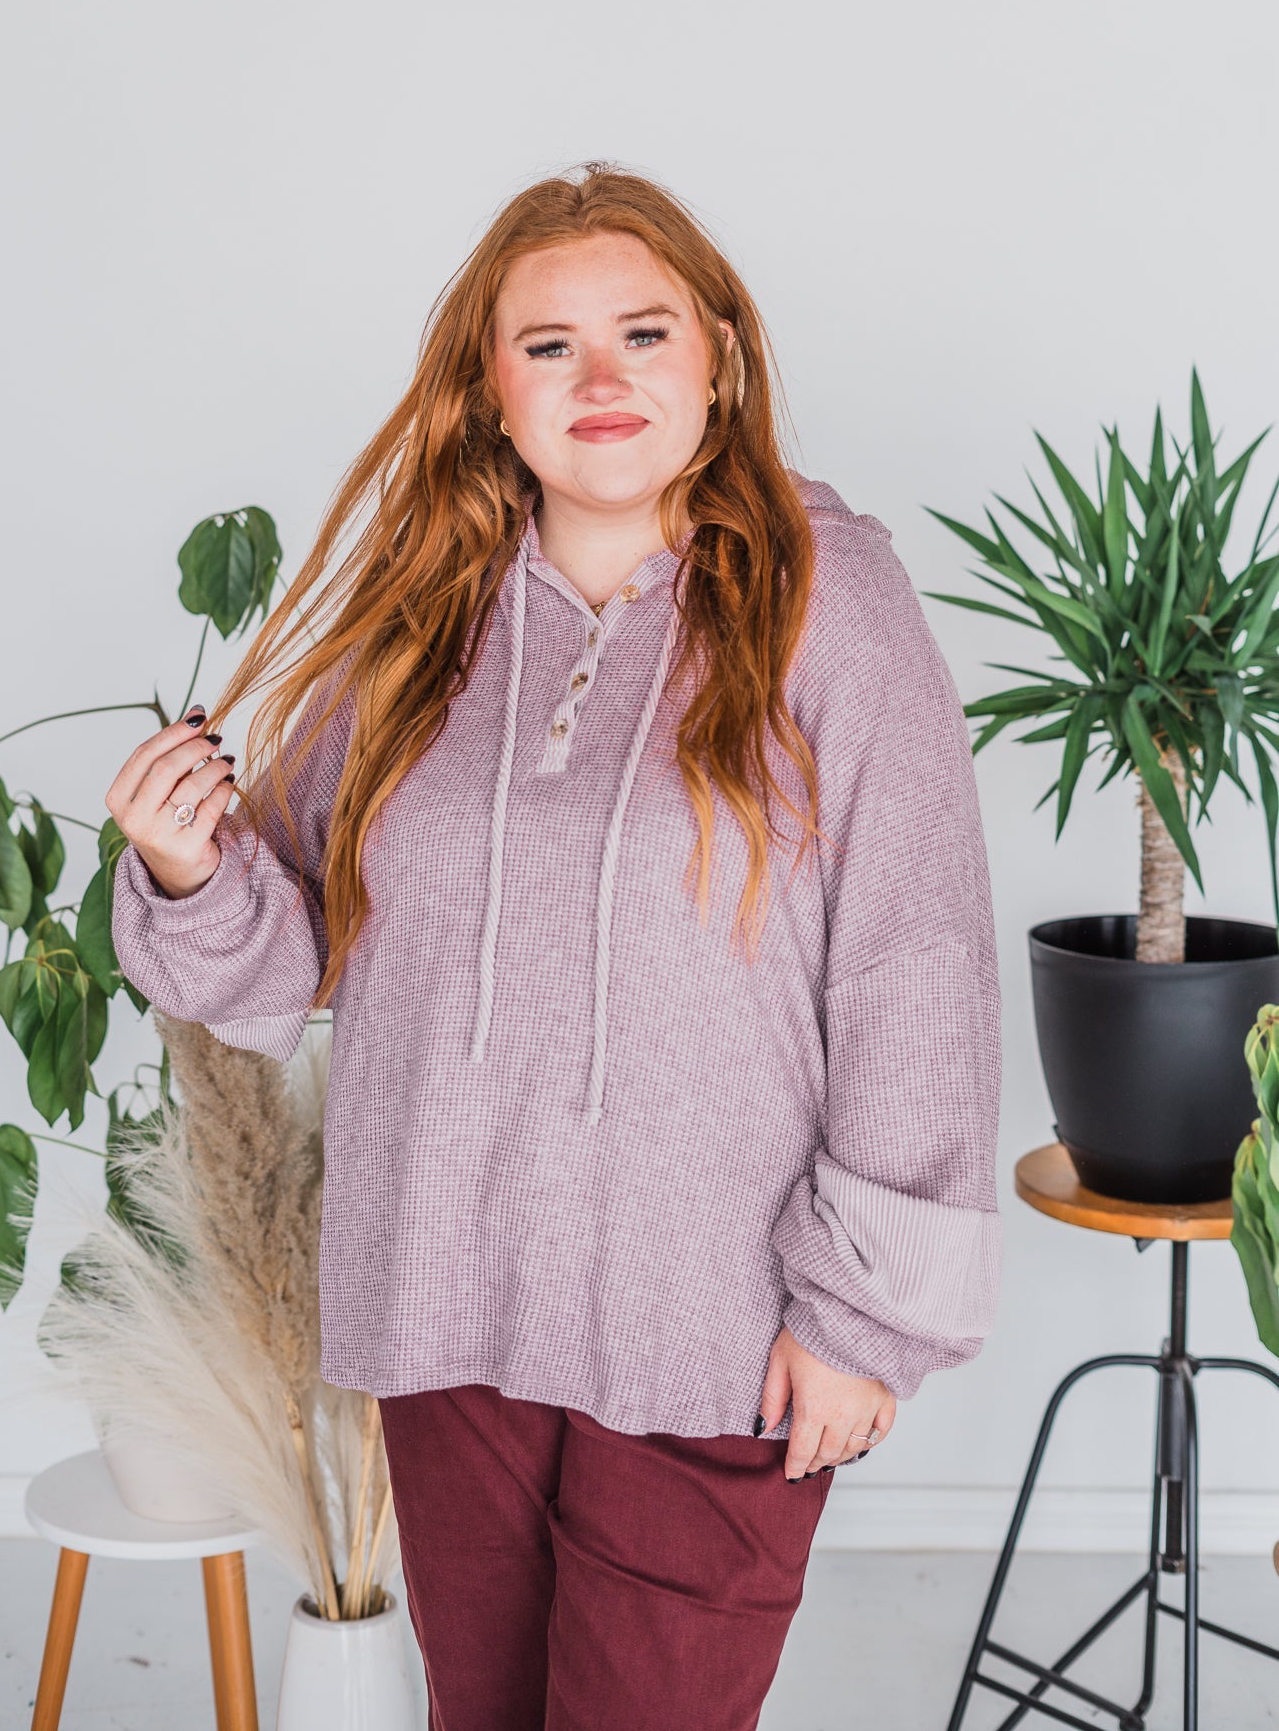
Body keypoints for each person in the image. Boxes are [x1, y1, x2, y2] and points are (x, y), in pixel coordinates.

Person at [108, 160, 1003, 1731]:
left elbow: (912, 968)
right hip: (447, 1298)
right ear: (490, 393)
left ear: (717, 358)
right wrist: (188, 865)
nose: (601, 379)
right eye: (549, 346)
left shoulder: (825, 595)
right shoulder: (417, 621)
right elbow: (290, 950)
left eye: (642, 334)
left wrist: (865, 1318)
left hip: (713, 1316)